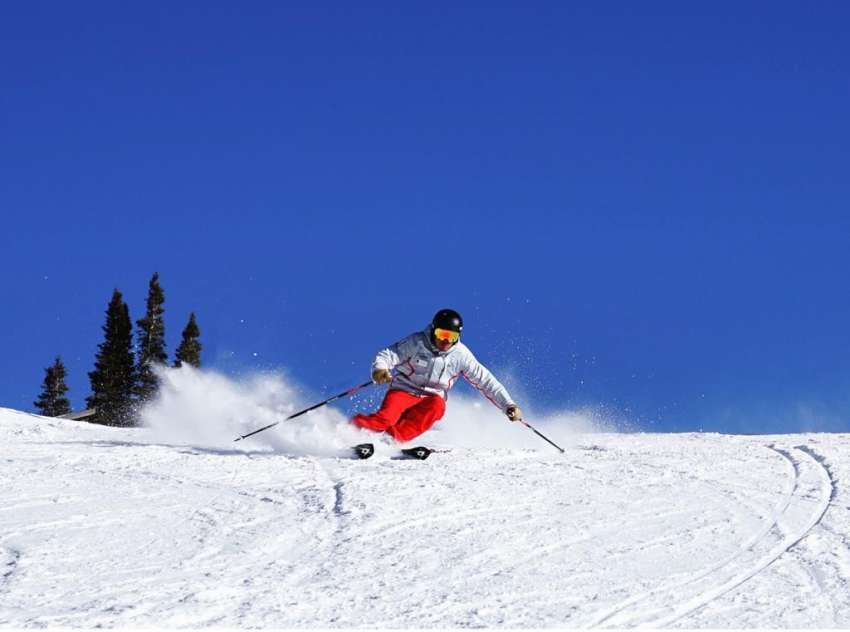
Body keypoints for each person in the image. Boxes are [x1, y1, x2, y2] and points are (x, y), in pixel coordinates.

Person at [352, 308, 523, 443]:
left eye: (452, 336)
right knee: (386, 418)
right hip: (404, 391)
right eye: (442, 334)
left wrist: (508, 405)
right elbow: (389, 354)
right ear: (433, 330)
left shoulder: (461, 355)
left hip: (430, 398)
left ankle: (390, 440)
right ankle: (351, 431)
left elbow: (486, 381)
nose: (446, 341)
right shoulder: (417, 342)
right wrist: (380, 370)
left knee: (437, 406)